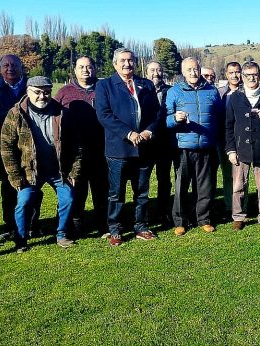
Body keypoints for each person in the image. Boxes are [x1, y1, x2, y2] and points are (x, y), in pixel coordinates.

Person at [0, 76, 82, 252]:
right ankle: (21, 239)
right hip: (30, 171)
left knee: (68, 198)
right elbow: (6, 147)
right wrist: (15, 176)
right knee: (24, 201)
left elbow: (77, 144)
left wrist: (74, 173)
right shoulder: (16, 114)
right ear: (28, 92)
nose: (42, 96)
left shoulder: (61, 113)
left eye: (46, 92)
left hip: (58, 170)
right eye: (37, 92)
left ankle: (61, 233)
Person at [96, 48, 162, 246]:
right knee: (116, 193)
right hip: (119, 149)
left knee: (141, 191)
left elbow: (157, 114)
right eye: (123, 61)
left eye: (131, 60)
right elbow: (104, 115)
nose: (127, 64)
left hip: (144, 148)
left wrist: (149, 131)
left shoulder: (146, 84)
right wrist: (128, 133)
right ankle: (115, 229)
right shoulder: (105, 85)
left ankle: (141, 226)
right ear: (115, 63)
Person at [0, 54, 40, 242]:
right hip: (4, 148)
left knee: (33, 186)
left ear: (21, 67)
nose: (10, 68)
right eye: (5, 65)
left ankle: (31, 224)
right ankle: (10, 225)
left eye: (14, 65)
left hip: (31, 147)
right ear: (0, 69)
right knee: (9, 188)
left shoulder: (32, 87)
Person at [165, 57, 224, 236]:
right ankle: (180, 221)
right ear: (183, 72)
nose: (193, 73)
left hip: (206, 146)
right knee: (181, 186)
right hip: (183, 146)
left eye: (196, 69)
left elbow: (219, 117)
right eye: (189, 70)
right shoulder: (174, 91)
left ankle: (204, 219)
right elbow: (166, 119)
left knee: (205, 186)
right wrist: (175, 119)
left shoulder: (212, 91)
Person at [225, 61, 260, 231]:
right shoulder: (234, 97)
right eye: (248, 75)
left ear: (259, 76)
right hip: (240, 148)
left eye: (255, 75)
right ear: (242, 77)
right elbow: (228, 126)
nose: (251, 78)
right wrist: (230, 150)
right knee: (238, 186)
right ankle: (238, 216)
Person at [54, 56, 108, 237]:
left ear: (95, 69)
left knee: (102, 189)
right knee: (77, 189)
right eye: (81, 67)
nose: (85, 70)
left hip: (101, 148)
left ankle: (104, 224)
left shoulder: (104, 88)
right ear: (75, 70)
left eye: (89, 66)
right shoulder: (64, 92)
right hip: (73, 151)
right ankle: (75, 224)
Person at [145, 61, 176, 225]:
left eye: (159, 70)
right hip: (146, 143)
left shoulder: (171, 90)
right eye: (152, 70)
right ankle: (144, 214)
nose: (156, 73)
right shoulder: (140, 89)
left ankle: (163, 211)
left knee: (164, 179)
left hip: (165, 143)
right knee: (143, 180)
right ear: (146, 72)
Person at [215, 61, 243, 219]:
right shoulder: (220, 93)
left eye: (237, 72)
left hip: (243, 138)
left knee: (242, 175)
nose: (235, 75)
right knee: (228, 175)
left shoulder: (246, 91)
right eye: (231, 72)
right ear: (226, 74)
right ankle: (229, 206)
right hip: (224, 139)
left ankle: (242, 205)